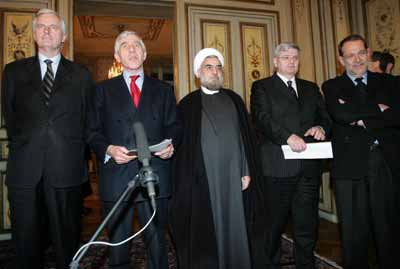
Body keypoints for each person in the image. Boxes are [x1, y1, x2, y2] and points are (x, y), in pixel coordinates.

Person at [1, 8, 95, 269]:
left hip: (66, 171)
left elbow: (89, 121)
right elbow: (12, 118)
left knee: (67, 244)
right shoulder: (13, 72)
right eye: (41, 26)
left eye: (52, 27)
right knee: (26, 244)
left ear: (63, 35)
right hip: (25, 171)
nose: (46, 31)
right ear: (33, 33)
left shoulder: (81, 75)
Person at [88, 31, 181, 269]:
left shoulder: (163, 89)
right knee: (118, 245)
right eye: (125, 46)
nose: (132, 50)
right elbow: (91, 131)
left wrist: (171, 145)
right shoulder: (102, 90)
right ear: (117, 56)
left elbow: (175, 126)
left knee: (157, 243)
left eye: (137, 45)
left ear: (145, 53)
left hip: (155, 176)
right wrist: (108, 148)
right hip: (117, 178)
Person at [170, 48, 266, 269]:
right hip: (204, 178)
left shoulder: (234, 99)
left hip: (234, 176)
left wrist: (246, 169)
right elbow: (183, 147)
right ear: (198, 73)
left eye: (218, 67)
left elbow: (245, 139)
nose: (214, 72)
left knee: (235, 222)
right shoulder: (188, 104)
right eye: (209, 67)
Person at [321, 34, 400, 269]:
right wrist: (379, 110)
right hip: (349, 168)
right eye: (350, 55)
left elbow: (397, 115)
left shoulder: (391, 83)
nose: (357, 59)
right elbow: (341, 115)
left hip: (387, 164)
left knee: (389, 231)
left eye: (361, 53)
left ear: (368, 52)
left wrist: (361, 116)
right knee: (354, 234)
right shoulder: (332, 86)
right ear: (341, 59)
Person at [250, 43, 331, 269]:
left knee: (306, 227)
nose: (291, 61)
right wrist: (288, 137)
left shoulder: (311, 87)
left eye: (295, 57)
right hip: (277, 168)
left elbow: (325, 116)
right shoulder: (261, 86)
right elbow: (262, 118)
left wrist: (321, 127)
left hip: (308, 169)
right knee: (273, 228)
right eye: (285, 57)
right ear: (275, 61)